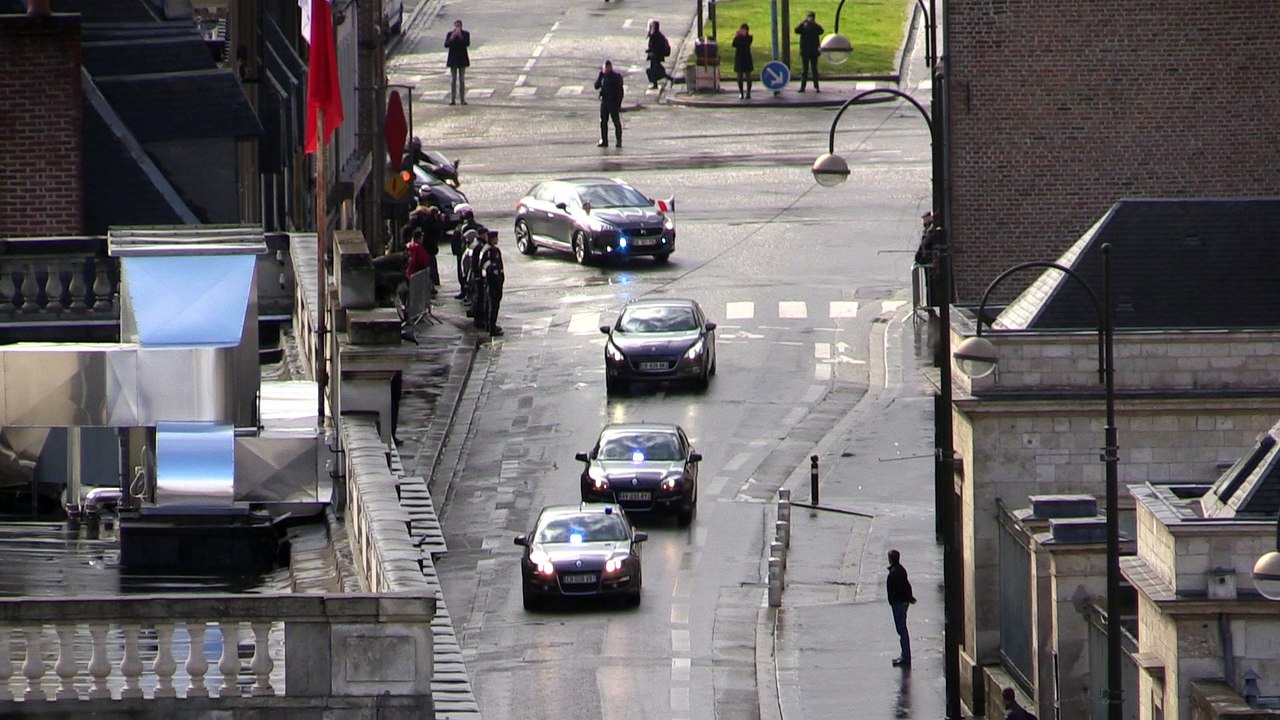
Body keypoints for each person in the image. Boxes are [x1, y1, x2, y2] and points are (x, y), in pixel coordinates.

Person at [886, 549, 916, 667]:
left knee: (902, 630)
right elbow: (906, 586)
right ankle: (904, 655)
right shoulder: (900, 570)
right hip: (900, 602)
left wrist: (905, 598)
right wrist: (909, 598)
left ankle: (905, 656)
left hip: (898, 603)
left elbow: (901, 588)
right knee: (902, 629)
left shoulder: (895, 572)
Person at [478, 230, 505, 336]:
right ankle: (492, 327)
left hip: (487, 282)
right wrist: (498, 282)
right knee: (493, 306)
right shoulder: (492, 251)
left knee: (489, 304)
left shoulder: (484, 248)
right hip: (493, 283)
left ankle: (490, 325)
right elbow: (494, 269)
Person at [594, 60, 625, 148]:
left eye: (608, 67)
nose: (606, 69)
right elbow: (596, 86)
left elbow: (620, 92)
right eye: (605, 68)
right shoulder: (603, 76)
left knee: (616, 122)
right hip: (604, 102)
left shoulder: (616, 77)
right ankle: (604, 140)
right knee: (603, 122)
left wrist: (618, 103)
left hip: (613, 102)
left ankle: (618, 141)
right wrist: (600, 76)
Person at [795, 11, 824, 92]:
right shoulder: (804, 26)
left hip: (811, 51)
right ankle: (804, 87)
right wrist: (803, 23)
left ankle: (815, 87)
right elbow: (796, 30)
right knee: (806, 70)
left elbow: (821, 30)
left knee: (813, 70)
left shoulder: (814, 26)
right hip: (807, 51)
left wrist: (806, 23)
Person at [450, 203, 475, 299]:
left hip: (463, 253)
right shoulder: (461, 226)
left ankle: (466, 292)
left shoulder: (463, 227)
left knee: (464, 273)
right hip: (462, 252)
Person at [445, 19, 470, 106]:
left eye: (459, 26)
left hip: (462, 59)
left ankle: (462, 99)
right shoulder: (450, 34)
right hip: (453, 60)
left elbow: (467, 43)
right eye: (456, 26)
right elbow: (446, 44)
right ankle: (453, 99)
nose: (457, 28)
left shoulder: (465, 34)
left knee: (462, 80)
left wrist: (460, 36)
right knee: (453, 80)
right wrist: (452, 37)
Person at [645, 20, 671, 89]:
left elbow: (655, 47)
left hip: (656, 56)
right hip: (656, 56)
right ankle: (657, 83)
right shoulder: (657, 35)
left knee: (654, 71)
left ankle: (669, 79)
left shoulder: (655, 36)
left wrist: (649, 50)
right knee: (656, 70)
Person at [732, 24, 754, 99]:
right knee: (739, 77)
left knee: (748, 76)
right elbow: (734, 44)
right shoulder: (738, 38)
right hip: (739, 58)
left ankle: (748, 93)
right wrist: (737, 36)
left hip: (747, 57)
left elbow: (747, 43)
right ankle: (741, 93)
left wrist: (744, 37)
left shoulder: (749, 37)